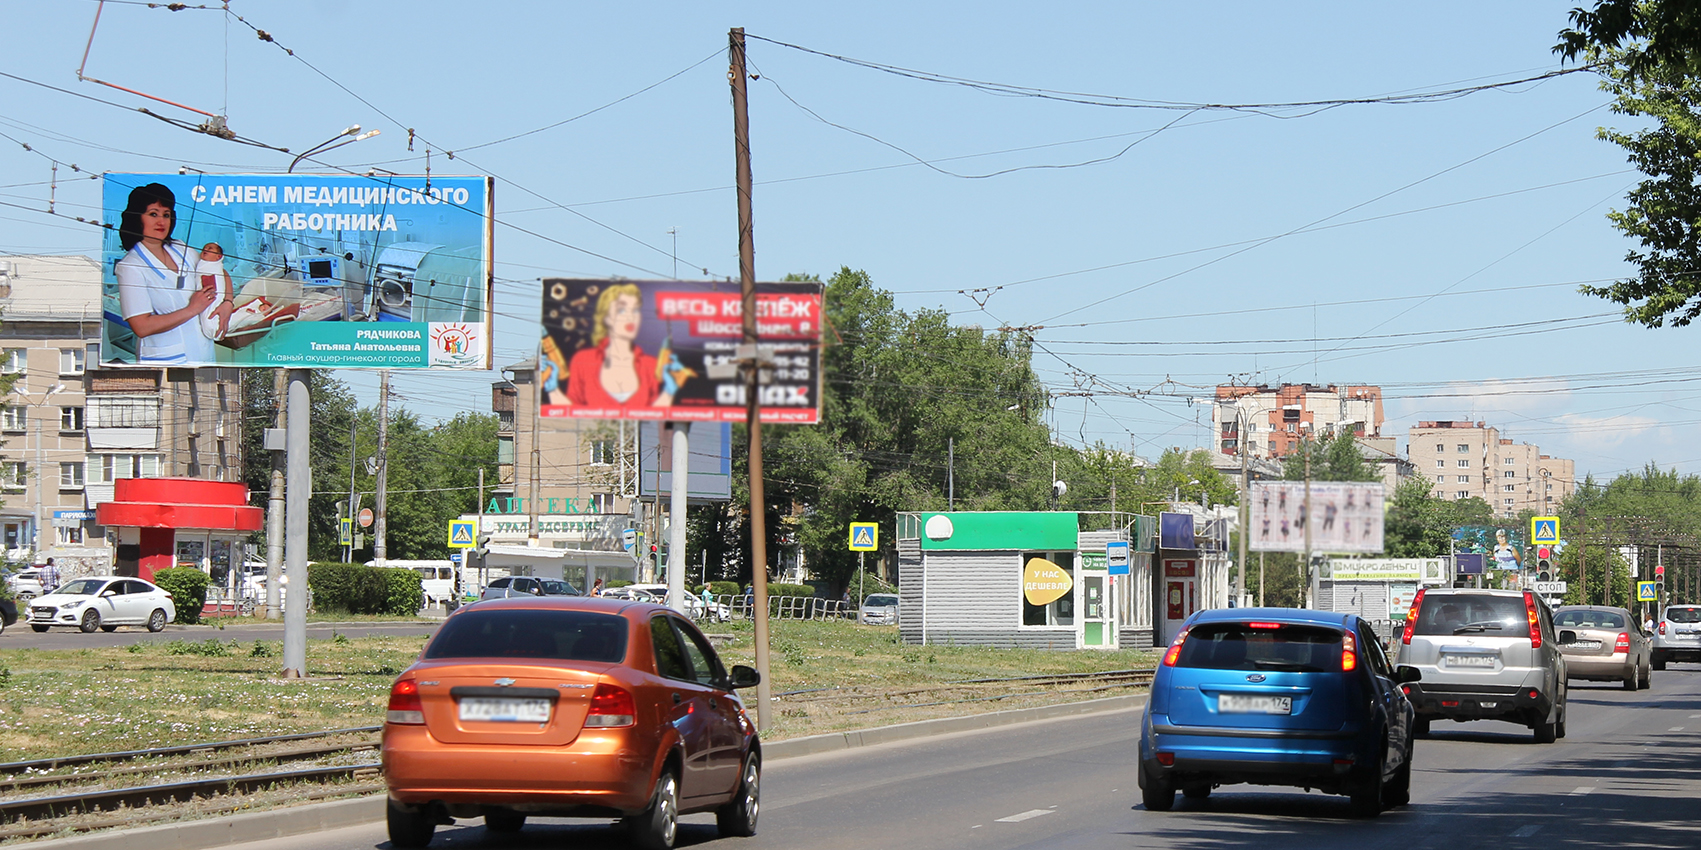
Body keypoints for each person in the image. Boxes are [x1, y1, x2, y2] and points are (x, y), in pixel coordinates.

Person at [114, 183, 235, 364]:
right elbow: (141, 326)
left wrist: (228, 302)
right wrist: (192, 309)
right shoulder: (131, 266)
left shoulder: (179, 248)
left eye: (166, 215)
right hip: (166, 364)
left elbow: (217, 270)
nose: (161, 221)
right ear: (138, 217)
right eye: (153, 214)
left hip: (203, 354)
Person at [555, 284, 676, 409]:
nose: (631, 317)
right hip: (593, 429)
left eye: (635, 310)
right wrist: (553, 390)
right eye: (622, 310)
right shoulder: (583, 360)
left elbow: (653, 417)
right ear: (606, 318)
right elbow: (570, 412)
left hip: (638, 429)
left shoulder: (651, 365)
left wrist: (669, 392)